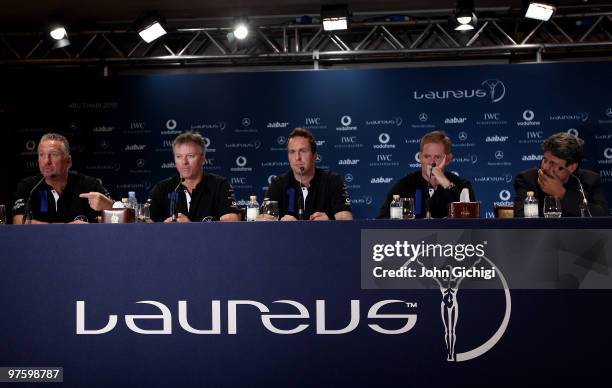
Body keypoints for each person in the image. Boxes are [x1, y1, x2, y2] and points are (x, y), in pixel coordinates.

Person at [13, 133, 113, 224]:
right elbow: (19, 221)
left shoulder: (89, 185)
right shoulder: (29, 186)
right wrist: (65, 228)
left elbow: (120, 216)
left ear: (68, 161)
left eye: (53, 154)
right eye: (41, 155)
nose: (46, 161)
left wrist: (109, 206)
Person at [377, 131, 475, 219]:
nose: (431, 162)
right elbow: (382, 221)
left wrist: (445, 182)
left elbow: (471, 220)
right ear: (420, 157)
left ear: (448, 159)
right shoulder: (404, 186)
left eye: (437, 157)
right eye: (427, 156)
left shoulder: (462, 185)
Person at [148, 131, 240, 222]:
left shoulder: (220, 185)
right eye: (179, 156)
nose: (184, 162)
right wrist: (163, 228)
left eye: (190, 156)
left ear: (203, 159)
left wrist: (190, 228)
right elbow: (144, 221)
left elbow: (232, 221)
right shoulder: (162, 188)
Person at [265, 127, 352, 221]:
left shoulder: (332, 180)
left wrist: (329, 222)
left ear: (314, 156)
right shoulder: (278, 183)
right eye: (292, 152)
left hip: (324, 235)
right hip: (287, 235)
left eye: (303, 151)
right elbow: (263, 221)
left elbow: (346, 219)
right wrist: (281, 223)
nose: (297, 157)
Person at [513, 132, 608, 217]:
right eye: (545, 160)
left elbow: (601, 217)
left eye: (552, 163)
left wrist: (562, 194)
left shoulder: (589, 180)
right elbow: (521, 220)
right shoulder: (527, 179)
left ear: (571, 167)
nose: (545, 167)